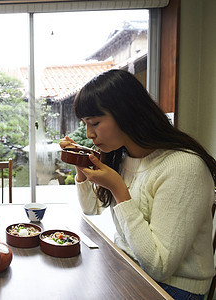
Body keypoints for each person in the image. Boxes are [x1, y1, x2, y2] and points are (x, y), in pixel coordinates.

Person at [60, 69, 216, 299]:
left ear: (126, 114)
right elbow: (90, 208)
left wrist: (119, 189)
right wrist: (80, 167)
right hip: (128, 267)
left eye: (94, 122)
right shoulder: (123, 156)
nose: (88, 133)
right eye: (85, 123)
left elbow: (159, 266)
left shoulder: (183, 166)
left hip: (173, 289)